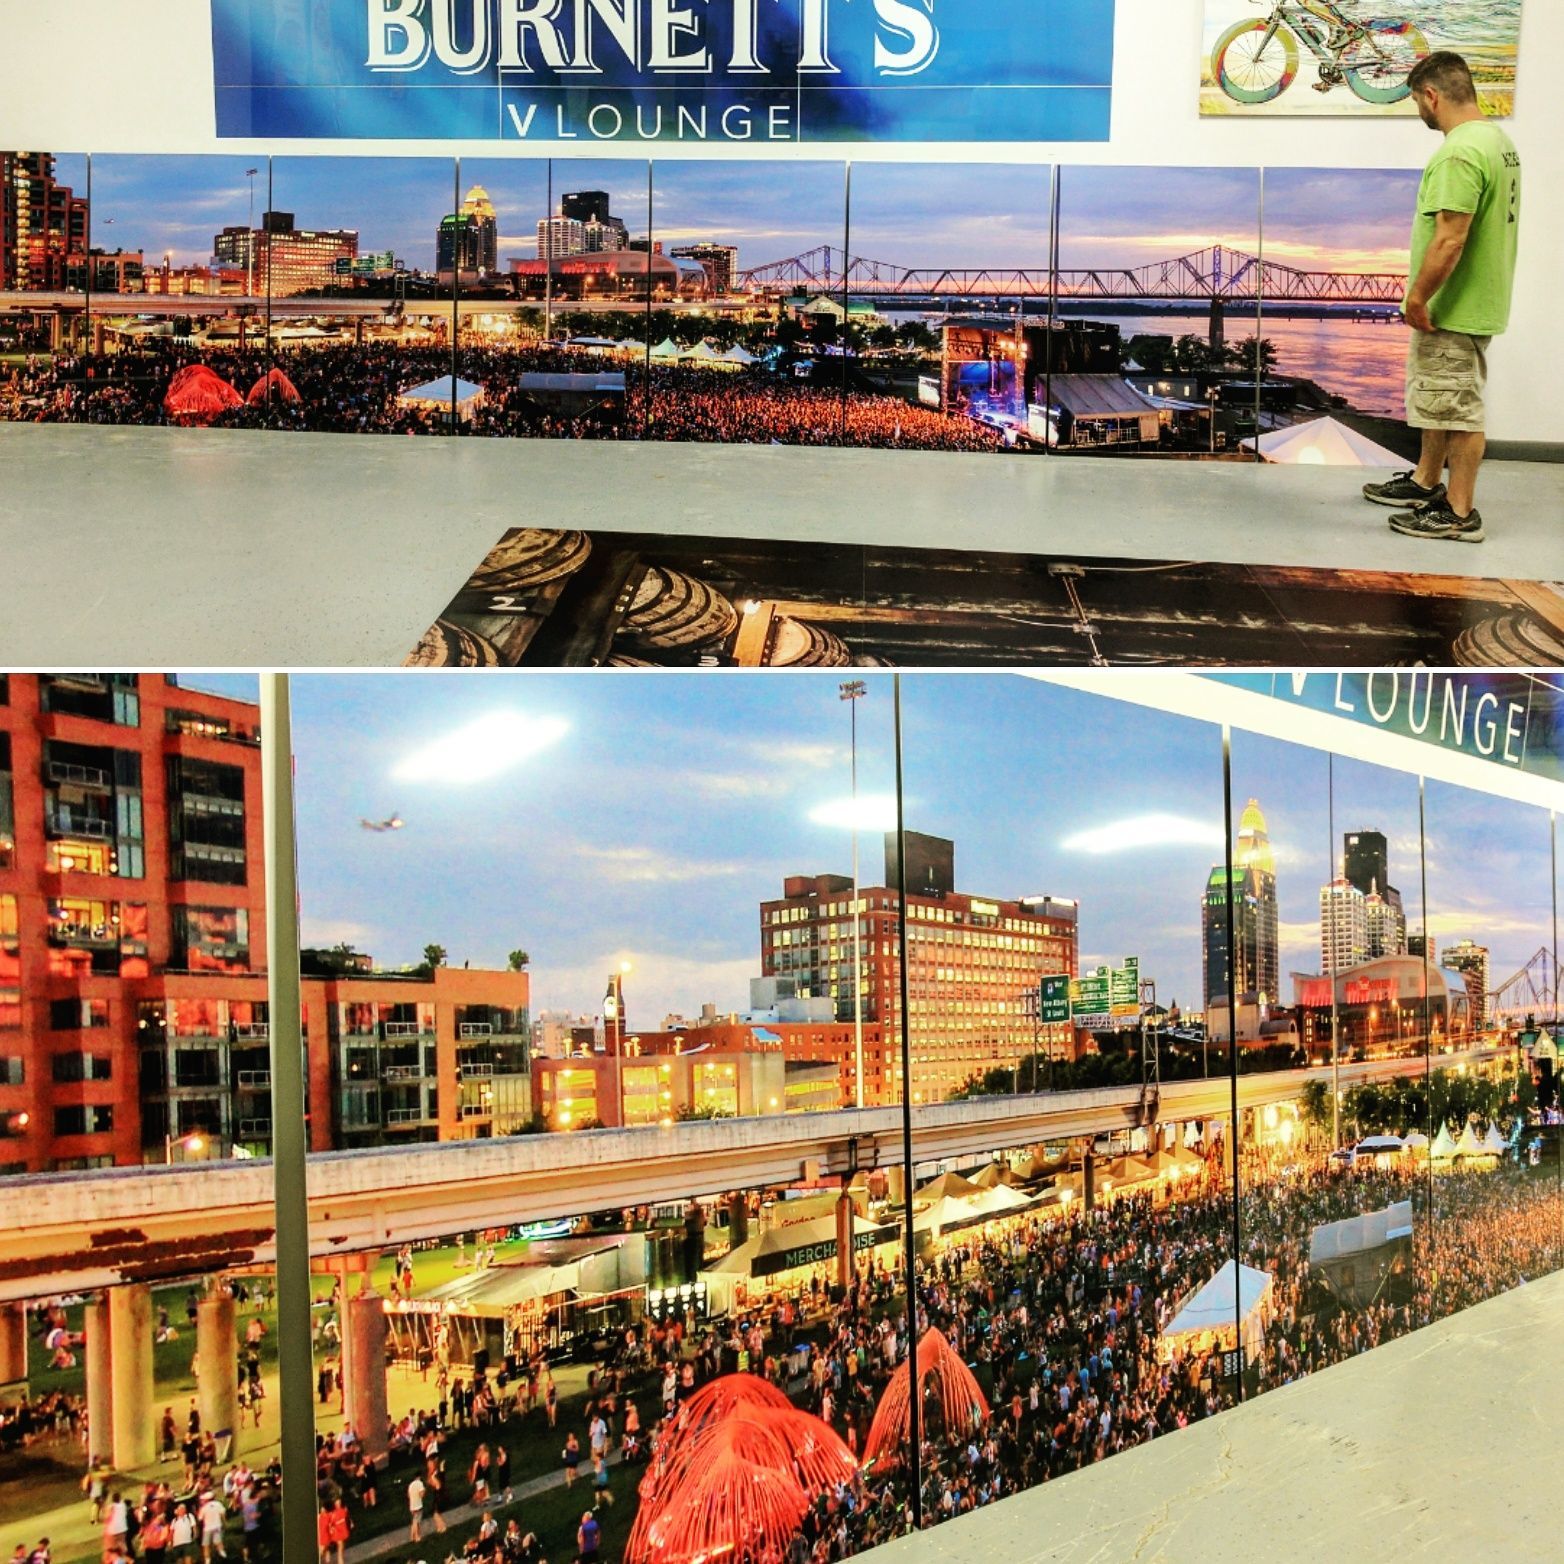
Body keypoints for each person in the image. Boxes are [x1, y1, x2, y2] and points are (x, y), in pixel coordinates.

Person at [1362, 51, 1520, 543]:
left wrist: (1416, 297)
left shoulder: (1457, 153)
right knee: (1439, 400)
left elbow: (1451, 238)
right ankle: (1425, 482)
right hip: (1473, 301)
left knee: (1458, 410)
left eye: (1415, 101)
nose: (1419, 111)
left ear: (1431, 95)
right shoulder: (1497, 142)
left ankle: (1458, 514)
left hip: (1452, 305)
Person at [405, 1472, 426, 1545]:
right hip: (418, 1505)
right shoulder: (420, 1484)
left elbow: (408, 1495)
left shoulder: (411, 1485)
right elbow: (421, 1495)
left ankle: (412, 1536)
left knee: (414, 1521)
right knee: (417, 1522)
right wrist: (424, 1491)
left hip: (412, 1506)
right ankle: (417, 1536)